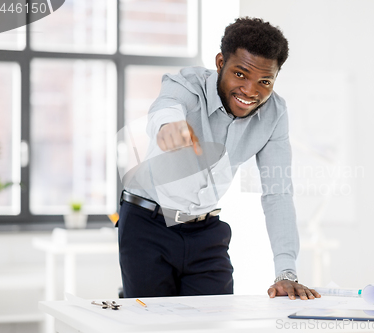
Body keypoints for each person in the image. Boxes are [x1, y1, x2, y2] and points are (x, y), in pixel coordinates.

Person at [117, 17, 320, 301]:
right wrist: (169, 126)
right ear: (220, 62)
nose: (251, 91)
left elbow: (278, 193)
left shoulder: (275, 114)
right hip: (147, 225)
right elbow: (166, 107)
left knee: (215, 320)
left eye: (264, 81)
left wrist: (286, 272)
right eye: (240, 74)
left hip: (206, 232)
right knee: (150, 322)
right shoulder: (188, 85)